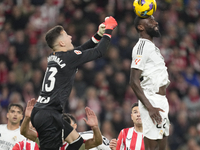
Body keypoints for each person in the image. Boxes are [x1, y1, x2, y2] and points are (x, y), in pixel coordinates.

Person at [30, 16, 118, 150]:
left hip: (44, 112)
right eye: (66, 35)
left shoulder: (54, 56)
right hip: (49, 115)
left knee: (77, 143)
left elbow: (80, 50)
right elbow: (98, 52)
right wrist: (108, 31)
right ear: (61, 44)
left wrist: (98, 35)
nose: (70, 37)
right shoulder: (68, 58)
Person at [129, 15, 170, 150]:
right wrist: (150, 107)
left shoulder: (152, 47)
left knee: (162, 147)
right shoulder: (141, 47)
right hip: (152, 101)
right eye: (151, 20)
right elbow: (133, 81)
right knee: (152, 148)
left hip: (160, 100)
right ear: (141, 27)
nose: (155, 22)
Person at [21, 98, 109, 150]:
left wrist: (95, 127)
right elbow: (24, 132)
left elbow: (97, 141)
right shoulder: (47, 138)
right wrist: (27, 118)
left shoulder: (76, 143)